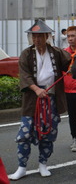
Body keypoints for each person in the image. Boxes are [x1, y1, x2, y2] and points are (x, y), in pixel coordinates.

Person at [8, 19, 71, 181]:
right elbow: (24, 75)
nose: (37, 40)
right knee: (24, 133)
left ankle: (43, 164)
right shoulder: (26, 54)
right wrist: (36, 89)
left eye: (40, 36)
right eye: (34, 37)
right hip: (32, 101)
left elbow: (70, 63)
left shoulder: (57, 52)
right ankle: (22, 167)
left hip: (51, 100)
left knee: (48, 133)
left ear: (47, 37)